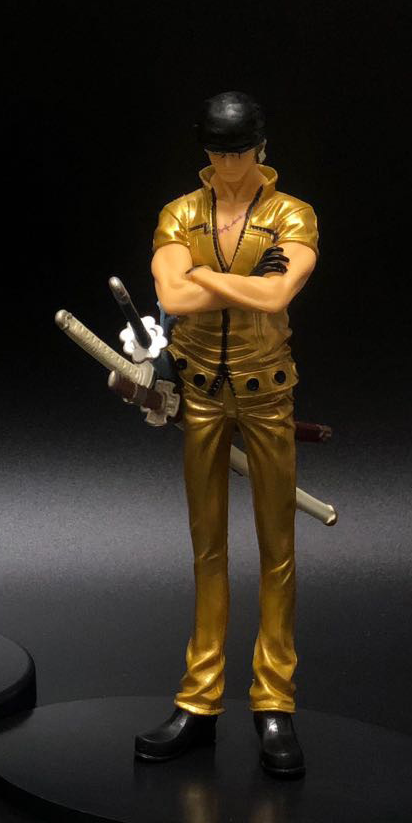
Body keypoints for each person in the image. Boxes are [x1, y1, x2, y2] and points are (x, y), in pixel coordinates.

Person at [134, 92, 318, 777]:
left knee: (278, 551)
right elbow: (172, 298)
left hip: (267, 392)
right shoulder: (180, 213)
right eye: (219, 150)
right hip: (200, 397)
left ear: (261, 148)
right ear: (205, 150)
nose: (231, 162)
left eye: (240, 150)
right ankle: (200, 699)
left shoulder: (292, 214)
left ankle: (274, 702)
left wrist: (204, 275)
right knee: (207, 549)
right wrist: (235, 278)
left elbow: (277, 296)